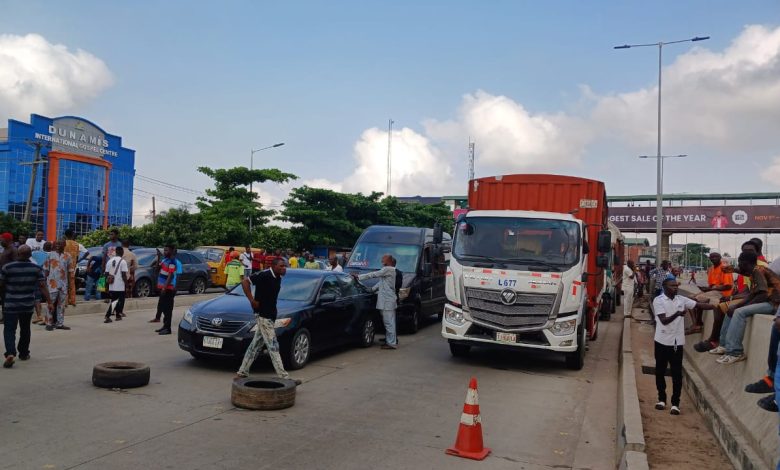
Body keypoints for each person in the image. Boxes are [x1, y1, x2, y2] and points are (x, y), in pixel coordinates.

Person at [653, 278, 715, 415]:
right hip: (662, 341)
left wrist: (716, 307)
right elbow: (663, 321)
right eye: (672, 286)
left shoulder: (681, 299)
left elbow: (698, 305)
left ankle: (675, 403)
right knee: (660, 371)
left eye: (676, 285)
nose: (675, 288)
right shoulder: (659, 300)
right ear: (664, 287)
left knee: (676, 374)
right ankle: (661, 399)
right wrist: (678, 314)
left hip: (677, 343)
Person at [235, 258, 301, 384]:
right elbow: (245, 282)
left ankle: (242, 372)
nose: (284, 268)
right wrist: (251, 300)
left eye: (285, 266)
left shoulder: (278, 278)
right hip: (263, 316)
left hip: (270, 315)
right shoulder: (264, 275)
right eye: (281, 266)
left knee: (255, 346)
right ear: (274, 266)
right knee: (273, 346)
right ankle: (284, 377)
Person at [715, 252, 780, 365]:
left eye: (739, 262)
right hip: (767, 301)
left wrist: (741, 306)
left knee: (739, 312)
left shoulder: (758, 271)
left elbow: (763, 295)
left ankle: (735, 352)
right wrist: (736, 305)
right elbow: (753, 293)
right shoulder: (753, 271)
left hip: (773, 304)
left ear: (744, 263)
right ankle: (724, 345)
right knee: (731, 309)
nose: (738, 264)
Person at [0, 246, 53, 368]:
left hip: (10, 303)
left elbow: (1, 284)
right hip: (27, 304)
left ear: (18, 254)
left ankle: (10, 352)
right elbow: (43, 286)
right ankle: (23, 353)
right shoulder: (36, 268)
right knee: (25, 329)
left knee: (9, 329)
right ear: (30, 255)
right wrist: (49, 302)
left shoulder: (7, 267)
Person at [356, 254, 398, 349]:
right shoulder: (386, 274)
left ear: (389, 261)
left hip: (388, 302)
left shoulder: (389, 269)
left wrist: (359, 277)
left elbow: (373, 274)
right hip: (385, 302)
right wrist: (368, 289)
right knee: (388, 323)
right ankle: (390, 341)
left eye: (383, 259)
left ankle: (391, 343)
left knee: (389, 323)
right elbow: (378, 285)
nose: (381, 260)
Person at [43, 240, 71, 331]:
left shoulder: (68, 256)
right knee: (50, 304)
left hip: (63, 284)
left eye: (60, 244)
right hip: (52, 283)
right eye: (57, 244)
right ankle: (48, 323)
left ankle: (60, 323)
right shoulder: (49, 255)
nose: (58, 245)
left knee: (61, 305)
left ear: (64, 245)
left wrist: (70, 285)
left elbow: (70, 271)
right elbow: (46, 270)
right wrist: (44, 283)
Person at [154, 245, 178, 335]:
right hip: (162, 287)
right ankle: (165, 326)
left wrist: (164, 287)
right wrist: (159, 257)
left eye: (167, 250)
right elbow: (157, 270)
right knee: (164, 308)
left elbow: (170, 275)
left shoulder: (172, 261)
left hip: (168, 289)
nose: (165, 252)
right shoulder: (164, 260)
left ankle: (168, 329)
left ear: (171, 251)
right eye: (164, 250)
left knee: (168, 309)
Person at [103, 246, 129, 323]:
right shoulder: (123, 261)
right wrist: (127, 285)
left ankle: (118, 315)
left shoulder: (110, 261)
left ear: (116, 252)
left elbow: (106, 274)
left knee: (115, 300)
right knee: (116, 301)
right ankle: (107, 316)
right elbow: (124, 275)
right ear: (122, 252)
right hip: (120, 286)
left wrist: (107, 286)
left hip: (112, 285)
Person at [0, 232, 18, 324]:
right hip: (4, 277)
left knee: (7, 299)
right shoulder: (6, 249)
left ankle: (7, 317)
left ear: (6, 240)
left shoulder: (13, 250)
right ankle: (5, 316)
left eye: (1, 239)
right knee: (3, 298)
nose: (0, 241)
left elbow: (15, 264)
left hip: (9, 279)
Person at [63, 229, 84, 306]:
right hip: (72, 267)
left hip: (63, 266)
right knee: (71, 284)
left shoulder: (63, 243)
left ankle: (64, 301)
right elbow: (77, 256)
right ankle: (72, 300)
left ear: (65, 235)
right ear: (72, 235)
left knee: (64, 284)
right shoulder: (76, 244)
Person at [30, 242, 49, 324]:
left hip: (37, 278)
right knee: (49, 298)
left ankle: (39, 316)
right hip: (48, 280)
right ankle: (46, 317)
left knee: (37, 298)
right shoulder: (53, 255)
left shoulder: (35, 254)